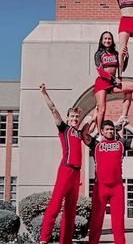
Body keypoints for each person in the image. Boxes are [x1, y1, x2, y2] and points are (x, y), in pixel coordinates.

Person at [39, 84, 92, 244]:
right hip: (66, 170)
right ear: (68, 118)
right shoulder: (65, 129)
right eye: (72, 117)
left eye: (77, 117)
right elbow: (54, 110)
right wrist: (44, 93)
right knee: (55, 205)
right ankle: (43, 239)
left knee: (70, 211)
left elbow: (94, 118)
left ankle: (66, 241)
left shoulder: (80, 132)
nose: (74, 119)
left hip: (76, 174)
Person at [83, 117, 133, 244]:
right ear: (102, 131)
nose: (110, 131)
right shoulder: (96, 144)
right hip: (100, 188)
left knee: (118, 222)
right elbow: (84, 134)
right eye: (107, 129)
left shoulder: (121, 144)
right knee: (96, 220)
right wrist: (93, 118)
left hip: (117, 188)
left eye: (112, 129)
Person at [94, 31, 133, 133]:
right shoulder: (98, 53)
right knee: (102, 109)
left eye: (109, 39)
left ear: (112, 41)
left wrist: (126, 57)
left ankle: (130, 114)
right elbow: (100, 71)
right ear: (101, 40)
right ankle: (100, 133)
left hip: (113, 82)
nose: (107, 41)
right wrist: (113, 79)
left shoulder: (115, 53)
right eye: (105, 39)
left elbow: (122, 68)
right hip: (102, 82)